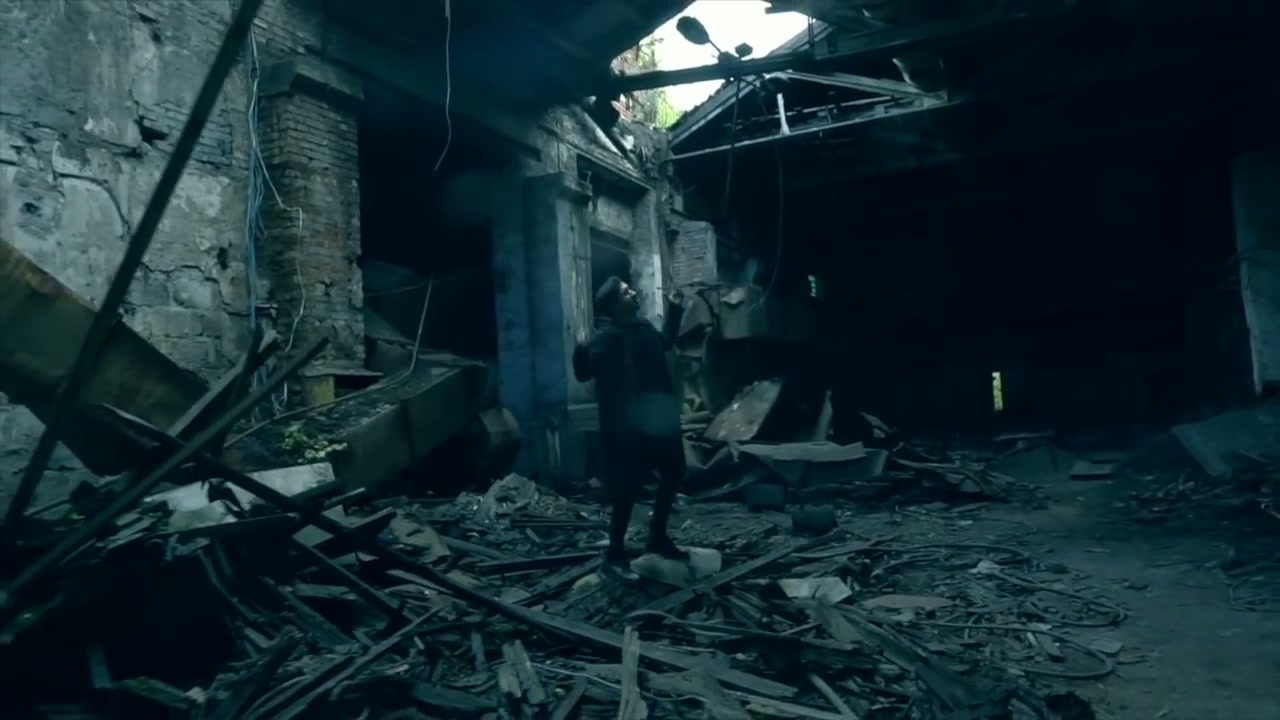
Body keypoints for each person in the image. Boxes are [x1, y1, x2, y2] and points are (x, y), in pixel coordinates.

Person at [573, 276, 687, 583]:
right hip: (627, 428)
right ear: (614, 305)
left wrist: (675, 308)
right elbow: (583, 374)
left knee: (675, 471)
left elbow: (666, 342)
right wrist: (580, 349)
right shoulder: (605, 339)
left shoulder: (644, 328)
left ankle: (657, 537)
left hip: (658, 420)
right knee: (626, 490)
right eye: (626, 292)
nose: (634, 293)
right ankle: (613, 555)